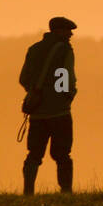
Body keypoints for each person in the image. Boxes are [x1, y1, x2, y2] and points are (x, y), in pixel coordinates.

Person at [18, 16, 78, 194]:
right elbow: (65, 79)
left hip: (37, 113)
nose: (71, 35)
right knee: (62, 155)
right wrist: (67, 96)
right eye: (68, 31)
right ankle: (66, 191)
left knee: (34, 155)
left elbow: (24, 79)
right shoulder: (64, 50)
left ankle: (28, 192)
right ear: (59, 31)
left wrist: (37, 93)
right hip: (59, 112)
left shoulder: (34, 49)